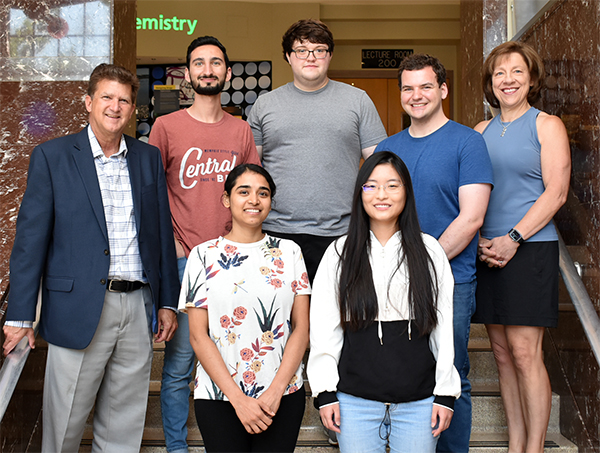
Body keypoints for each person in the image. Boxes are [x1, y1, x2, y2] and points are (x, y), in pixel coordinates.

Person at [3, 63, 180, 452]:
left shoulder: (147, 158)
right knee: (64, 423)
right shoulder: (52, 156)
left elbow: (160, 234)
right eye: (106, 97)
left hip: (137, 305)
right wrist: (19, 317)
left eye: (124, 100)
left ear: (133, 109)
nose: (115, 107)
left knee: (123, 424)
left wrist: (167, 300)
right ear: (88, 101)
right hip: (78, 307)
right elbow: (30, 240)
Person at [374, 53, 493, 453]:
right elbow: (377, 210)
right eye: (408, 88)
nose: (416, 95)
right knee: (403, 372)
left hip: (450, 279)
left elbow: (472, 216)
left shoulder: (467, 142)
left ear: (442, 90)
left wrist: (424, 265)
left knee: (451, 375)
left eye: (426, 86)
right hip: (391, 279)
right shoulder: (388, 148)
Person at [149, 36, 261, 453]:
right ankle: (177, 448)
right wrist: (172, 249)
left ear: (227, 73)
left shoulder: (240, 129)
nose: (208, 70)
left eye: (216, 63)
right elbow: (151, 193)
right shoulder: (166, 127)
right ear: (188, 73)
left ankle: (233, 440)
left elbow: (253, 194)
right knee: (179, 366)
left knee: (234, 357)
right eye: (200, 63)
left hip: (233, 262)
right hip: (184, 264)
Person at [307, 151, 460, 453]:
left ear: (407, 193)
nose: (381, 195)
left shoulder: (429, 251)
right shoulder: (340, 252)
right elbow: (325, 329)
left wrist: (444, 393)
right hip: (354, 402)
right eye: (371, 186)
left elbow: (442, 327)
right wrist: (325, 392)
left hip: (420, 403)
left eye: (393, 185)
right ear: (360, 192)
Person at [472, 41, 570, 453]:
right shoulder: (479, 131)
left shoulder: (546, 125)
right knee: (501, 352)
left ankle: (533, 448)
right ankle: (515, 445)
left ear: (531, 78)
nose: (508, 80)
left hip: (529, 248)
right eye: (499, 73)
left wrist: (513, 238)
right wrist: (478, 238)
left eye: (516, 72)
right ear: (490, 83)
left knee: (526, 352)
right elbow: (470, 193)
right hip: (485, 250)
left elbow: (557, 192)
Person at [179, 164, 310, 453]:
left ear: (271, 202)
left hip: (282, 396)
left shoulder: (290, 252)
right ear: (226, 199)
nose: (254, 200)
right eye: (244, 192)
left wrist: (275, 393)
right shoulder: (203, 255)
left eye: (263, 193)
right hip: (219, 397)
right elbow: (199, 336)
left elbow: (301, 328)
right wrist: (238, 400)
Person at [247, 18, 387, 284]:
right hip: (276, 232)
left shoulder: (358, 101)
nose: (310, 57)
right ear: (289, 57)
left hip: (342, 234)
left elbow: (379, 167)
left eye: (319, 49)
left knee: (340, 320)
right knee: (281, 322)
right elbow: (251, 171)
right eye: (301, 50)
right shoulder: (265, 105)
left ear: (329, 55)